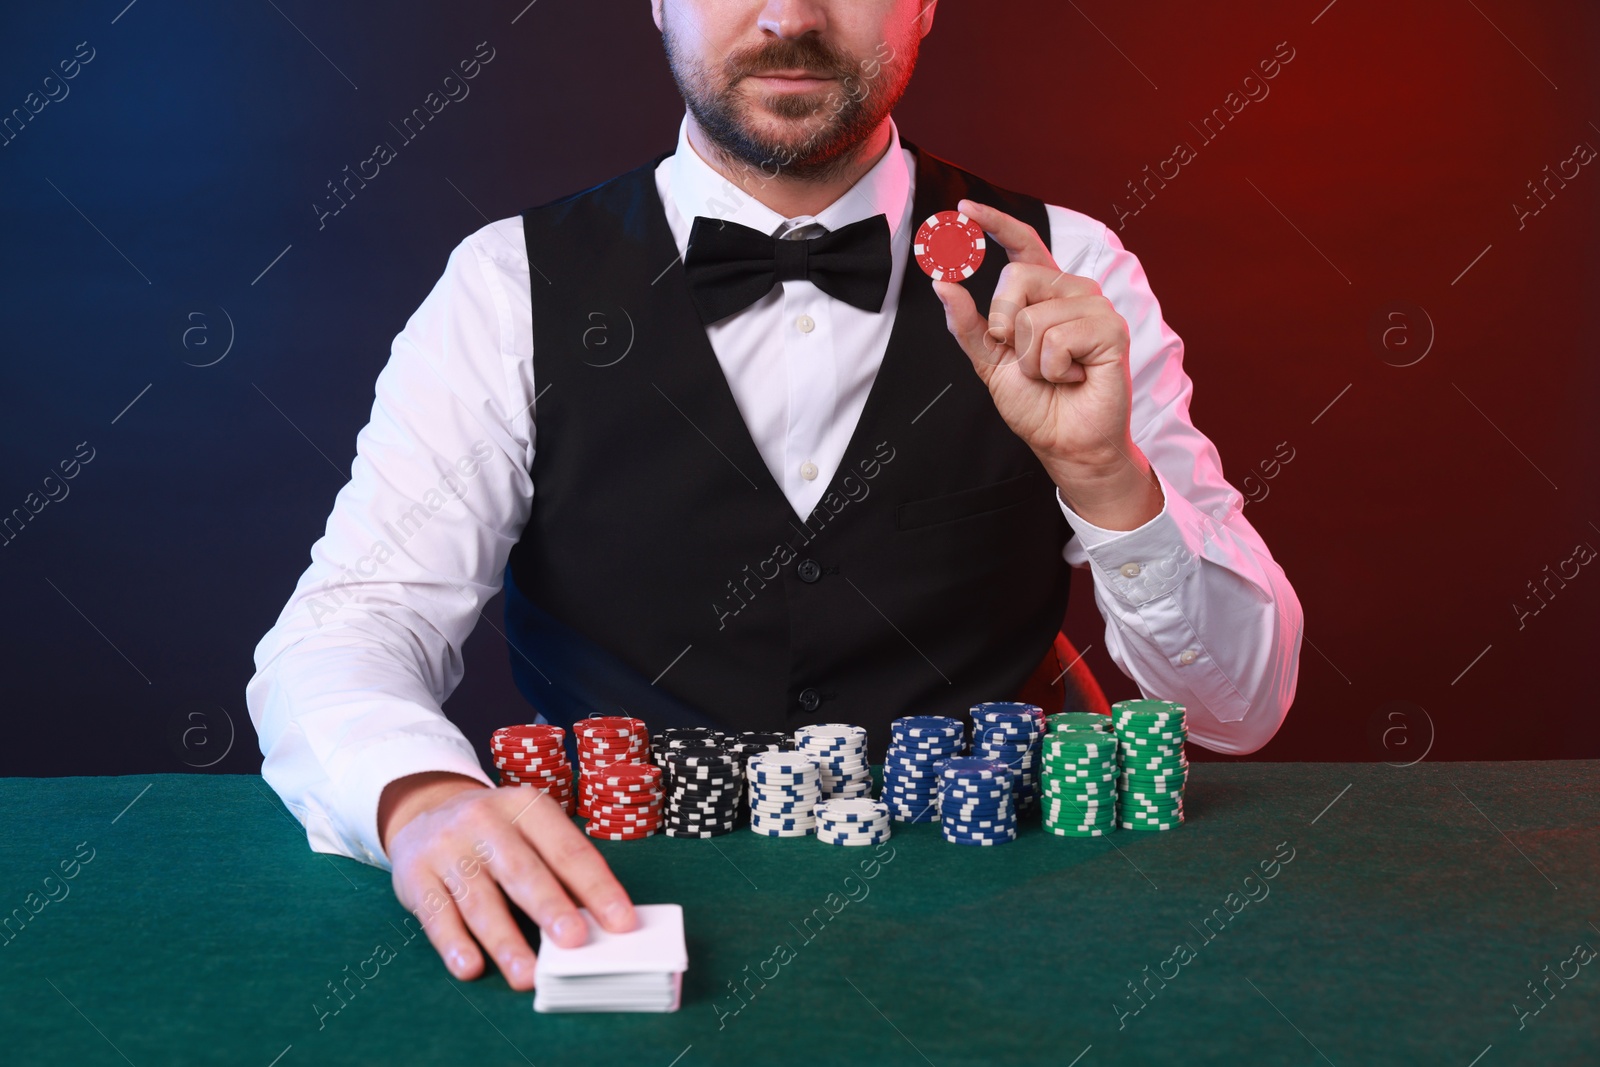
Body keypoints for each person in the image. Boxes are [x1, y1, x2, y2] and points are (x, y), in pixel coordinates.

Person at [247, 0, 1303, 993]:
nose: (789, 16)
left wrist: (1104, 478)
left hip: (1000, 924)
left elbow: (1237, 708)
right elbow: (351, 622)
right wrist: (417, 796)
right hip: (622, 911)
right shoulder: (507, 285)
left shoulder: (1066, 271)